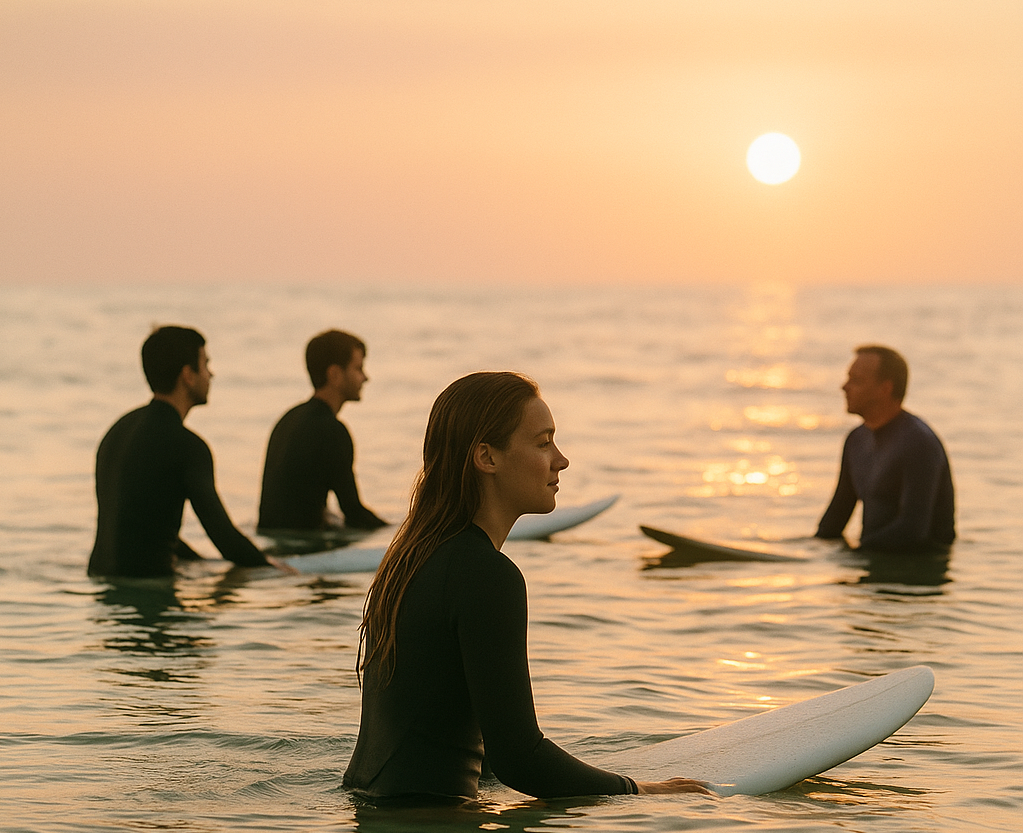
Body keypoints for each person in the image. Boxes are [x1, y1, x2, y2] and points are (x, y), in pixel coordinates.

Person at [343, 371, 708, 803]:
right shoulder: (486, 575)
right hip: (431, 826)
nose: (561, 460)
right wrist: (636, 790)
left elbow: (463, 739)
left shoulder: (411, 558)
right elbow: (519, 758)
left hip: (370, 814)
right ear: (487, 457)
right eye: (543, 443)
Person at [89, 325, 283, 579]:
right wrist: (276, 570)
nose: (211, 374)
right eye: (206, 364)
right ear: (188, 375)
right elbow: (223, 536)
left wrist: (199, 562)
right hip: (151, 586)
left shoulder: (117, 431)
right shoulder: (188, 446)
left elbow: (137, 526)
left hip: (99, 580)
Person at [816, 345, 955, 552]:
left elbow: (914, 530)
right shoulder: (856, 440)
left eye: (856, 380)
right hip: (872, 559)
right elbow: (835, 518)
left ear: (885, 389)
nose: (844, 387)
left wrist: (855, 557)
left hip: (917, 566)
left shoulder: (919, 444)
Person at [257, 330, 387, 535]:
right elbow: (354, 513)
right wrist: (398, 532)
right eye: (358, 368)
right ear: (335, 374)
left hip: (272, 538)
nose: (365, 378)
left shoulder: (288, 419)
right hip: (304, 546)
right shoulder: (332, 431)